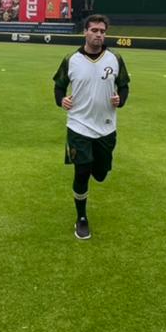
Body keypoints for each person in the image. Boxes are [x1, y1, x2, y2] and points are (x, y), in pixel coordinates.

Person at [52, 14, 130, 240]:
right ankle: (82, 217)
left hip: (106, 127)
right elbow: (58, 87)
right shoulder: (71, 59)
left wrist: (120, 100)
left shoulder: (115, 58)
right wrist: (61, 100)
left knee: (101, 174)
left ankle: (99, 168)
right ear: (85, 32)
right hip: (78, 126)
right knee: (82, 171)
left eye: (102, 31)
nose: (98, 34)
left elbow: (124, 86)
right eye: (94, 30)